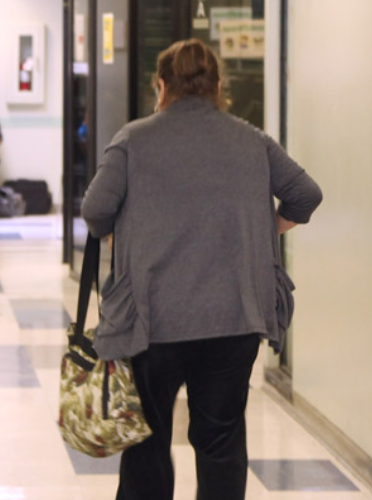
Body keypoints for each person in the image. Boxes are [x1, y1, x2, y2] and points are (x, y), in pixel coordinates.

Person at [81, 39, 322, 500]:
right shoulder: (253, 141)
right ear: (218, 87)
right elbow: (306, 194)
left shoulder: (134, 139)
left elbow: (95, 210)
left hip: (152, 323)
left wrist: (127, 234)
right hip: (233, 318)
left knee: (147, 441)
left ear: (161, 85)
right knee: (221, 442)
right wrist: (266, 227)